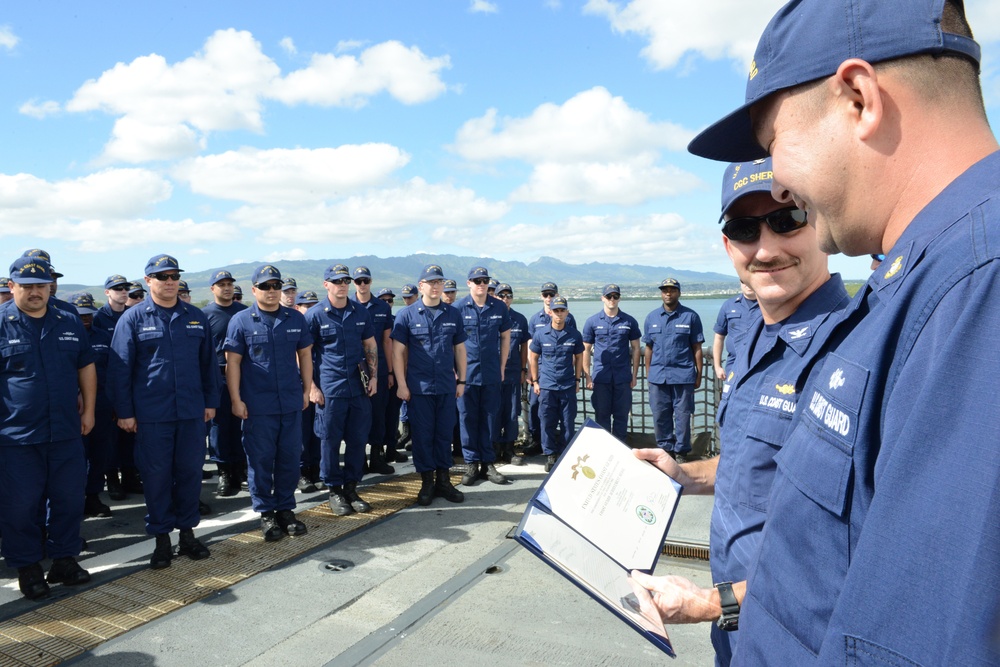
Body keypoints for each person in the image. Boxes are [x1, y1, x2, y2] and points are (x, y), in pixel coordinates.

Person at [674, 1, 1000, 663]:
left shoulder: (976, 285)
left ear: (859, 97)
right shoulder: (923, 276)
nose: (782, 183)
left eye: (774, 146)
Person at [632, 157, 850, 665]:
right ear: (729, 245)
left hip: (797, 637)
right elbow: (749, 464)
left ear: (821, 221)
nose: (766, 247)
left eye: (787, 218)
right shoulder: (753, 337)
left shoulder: (853, 350)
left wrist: (713, 603)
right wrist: (684, 474)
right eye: (745, 229)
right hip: (737, 627)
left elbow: (846, 548)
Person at [109, 254, 220, 570]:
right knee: (157, 479)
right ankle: (161, 540)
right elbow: (119, 371)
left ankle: (187, 535)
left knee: (188, 475)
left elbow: (208, 366)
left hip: (190, 414)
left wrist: (210, 402)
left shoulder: (195, 317)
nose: (169, 282)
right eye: (162, 277)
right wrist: (125, 412)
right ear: (148, 282)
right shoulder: (132, 319)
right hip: (152, 416)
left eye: (173, 276)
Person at [0, 257, 96, 599]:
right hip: (16, 436)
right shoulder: (2, 323)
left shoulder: (67, 318)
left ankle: (64, 560)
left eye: (41, 285)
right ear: (12, 287)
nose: (35, 292)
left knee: (69, 498)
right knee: (21, 504)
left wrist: (90, 410)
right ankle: (27, 566)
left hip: (66, 430)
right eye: (26, 286)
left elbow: (85, 366)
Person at [224, 265, 312, 541]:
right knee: (261, 461)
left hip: (289, 402)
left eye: (276, 286)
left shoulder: (295, 318)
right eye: (265, 286)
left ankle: (286, 508)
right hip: (257, 406)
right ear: (254, 290)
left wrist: (306, 390)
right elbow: (233, 363)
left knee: (288, 458)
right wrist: (236, 399)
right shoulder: (241, 321)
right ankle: (266, 513)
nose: (272, 291)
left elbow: (306, 355)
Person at [391, 264, 467, 505]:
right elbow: (397, 352)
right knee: (423, 437)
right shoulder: (407, 315)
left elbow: (460, 349)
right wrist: (401, 384)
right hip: (418, 388)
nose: (435, 286)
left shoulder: (452, 314)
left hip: (445, 385)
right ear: (421, 286)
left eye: (439, 282)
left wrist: (462, 380)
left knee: (444, 435)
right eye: (431, 282)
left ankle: (444, 482)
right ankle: (427, 482)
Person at [305, 264, 378, 516]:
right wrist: (311, 387)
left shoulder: (359, 311)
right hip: (330, 390)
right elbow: (303, 354)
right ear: (326, 285)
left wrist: (374, 376)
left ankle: (351, 488)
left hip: (358, 387)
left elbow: (369, 343)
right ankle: (334, 490)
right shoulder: (315, 315)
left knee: (358, 441)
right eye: (337, 281)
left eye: (345, 280)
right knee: (330, 442)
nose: (343, 285)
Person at [455, 266, 511, 486]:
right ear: (468, 283)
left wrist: (502, 366)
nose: (481, 284)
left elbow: (505, 338)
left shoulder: (498, 307)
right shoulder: (459, 308)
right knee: (467, 417)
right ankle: (471, 462)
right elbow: (453, 342)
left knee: (489, 417)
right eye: (476, 280)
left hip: (490, 372)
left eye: (484, 280)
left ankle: (488, 462)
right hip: (466, 373)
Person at [642, 278, 704, 462]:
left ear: (679, 292)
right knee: (660, 414)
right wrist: (649, 374)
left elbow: (697, 348)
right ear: (661, 293)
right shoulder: (651, 318)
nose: (668, 293)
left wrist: (698, 374)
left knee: (683, 415)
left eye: (672, 290)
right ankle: (665, 450)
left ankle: (681, 452)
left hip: (683, 375)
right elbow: (649, 349)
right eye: (665, 290)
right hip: (658, 376)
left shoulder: (691, 317)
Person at [202, 269, 248, 497]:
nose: (227, 288)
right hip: (217, 375)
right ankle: (224, 472)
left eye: (230, 283)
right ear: (213, 289)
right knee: (220, 427)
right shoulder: (204, 315)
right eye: (221, 284)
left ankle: (240, 468)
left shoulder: (245, 313)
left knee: (241, 421)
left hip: (241, 374)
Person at [71, 292, 116, 519]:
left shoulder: (103, 336)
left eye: (88, 314)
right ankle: (75, 499)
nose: (85, 319)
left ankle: (93, 496)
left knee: (100, 453)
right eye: (80, 315)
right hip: (74, 404)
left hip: (102, 402)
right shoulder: (68, 336)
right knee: (78, 456)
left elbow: (114, 369)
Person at [528, 295, 584, 472]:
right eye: (556, 311)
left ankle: (565, 452)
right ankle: (550, 454)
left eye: (562, 310)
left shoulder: (574, 335)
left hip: (567, 385)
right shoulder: (541, 334)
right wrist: (535, 381)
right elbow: (533, 357)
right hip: (547, 386)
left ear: (567, 312)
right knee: (547, 421)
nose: (559, 314)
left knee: (568, 422)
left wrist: (577, 380)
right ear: (550, 312)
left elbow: (579, 357)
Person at [351, 266, 397, 475]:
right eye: (358, 281)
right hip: (355, 370)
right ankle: (359, 459)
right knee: (357, 417)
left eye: (366, 280)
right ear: (353, 283)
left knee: (379, 414)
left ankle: (377, 457)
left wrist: (389, 372)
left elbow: (387, 342)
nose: (362, 284)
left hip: (379, 368)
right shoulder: (347, 306)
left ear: (371, 281)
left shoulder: (382, 307)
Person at [581, 283, 641, 442]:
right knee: (602, 415)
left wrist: (634, 375)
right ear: (603, 298)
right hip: (601, 378)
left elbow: (636, 348)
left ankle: (621, 449)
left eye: (615, 296)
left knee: (622, 416)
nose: (612, 299)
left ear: (619, 298)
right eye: (609, 296)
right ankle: (604, 448)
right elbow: (585, 349)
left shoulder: (629, 321)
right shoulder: (592, 321)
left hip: (622, 377)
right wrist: (587, 376)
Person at [495, 283, 529, 465]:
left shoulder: (520, 319)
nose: (505, 299)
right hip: (492, 375)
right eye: (502, 296)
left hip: (513, 373)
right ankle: (493, 448)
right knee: (493, 412)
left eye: (508, 296)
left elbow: (524, 348)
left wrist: (524, 369)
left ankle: (509, 449)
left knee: (511, 412)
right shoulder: (491, 317)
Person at [294, 290, 323, 492]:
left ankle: (317, 468)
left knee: (319, 429)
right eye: (306, 305)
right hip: (300, 386)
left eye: (313, 305)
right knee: (302, 432)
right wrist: (310, 387)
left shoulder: (318, 327)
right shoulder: (294, 326)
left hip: (321, 384)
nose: (310, 309)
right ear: (298, 308)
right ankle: (302, 472)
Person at [711, 282, 759, 382]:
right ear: (740, 283)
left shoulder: (770, 304)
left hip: (760, 363)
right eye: (744, 282)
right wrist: (717, 366)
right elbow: (719, 337)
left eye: (750, 281)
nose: (748, 285)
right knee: (731, 395)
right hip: (734, 363)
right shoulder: (729, 305)